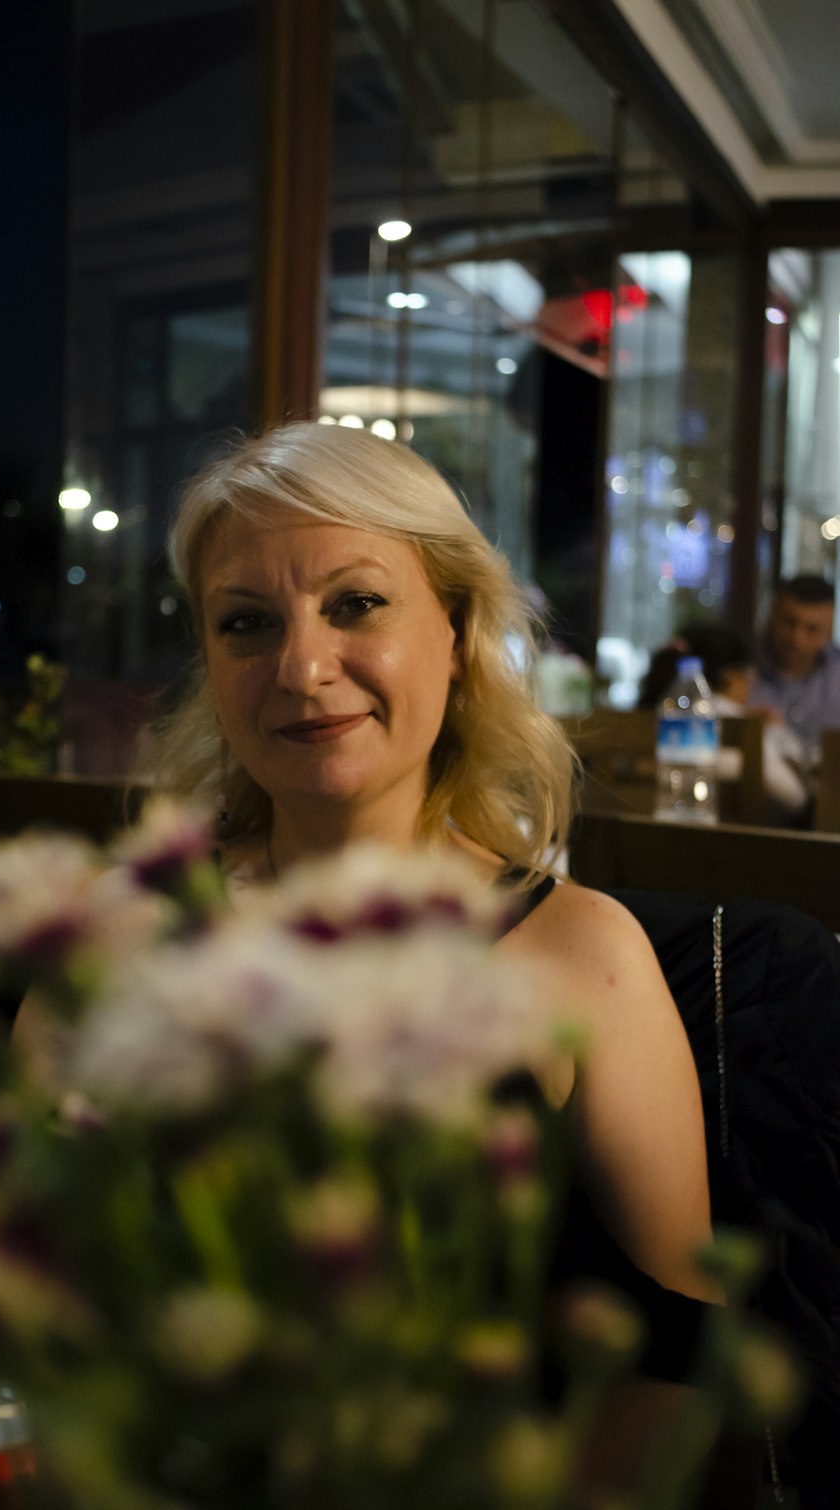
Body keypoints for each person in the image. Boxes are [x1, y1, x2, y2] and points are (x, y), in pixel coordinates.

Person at [151, 421, 718, 1318]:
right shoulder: (121, 933)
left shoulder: (585, 957)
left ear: (454, 635)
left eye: (357, 604)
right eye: (247, 623)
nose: (301, 668)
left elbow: (685, 1366)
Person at [638, 624, 811, 823]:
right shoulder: (737, 723)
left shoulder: (664, 709)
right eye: (750, 675)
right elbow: (794, 796)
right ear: (732, 675)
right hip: (731, 842)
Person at [749, 576, 840, 763]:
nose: (797, 639)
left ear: (829, 631)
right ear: (772, 616)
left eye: (812, 629)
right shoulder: (741, 668)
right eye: (789, 623)